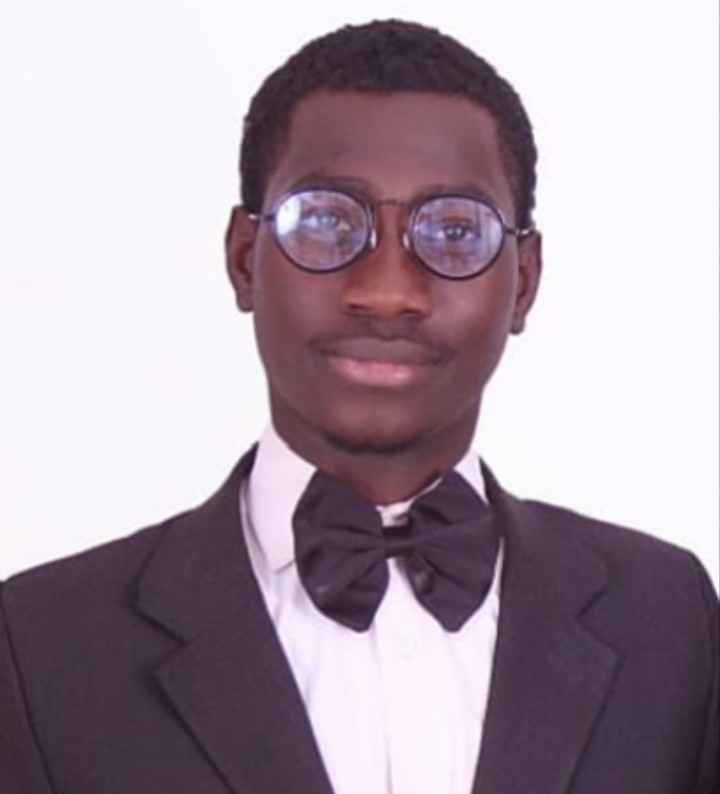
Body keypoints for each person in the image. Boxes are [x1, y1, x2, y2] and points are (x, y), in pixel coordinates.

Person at [0, 18, 717, 794]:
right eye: (325, 222)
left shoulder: (670, 619)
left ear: (525, 282)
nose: (386, 293)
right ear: (244, 261)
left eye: (454, 231)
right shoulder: (41, 644)